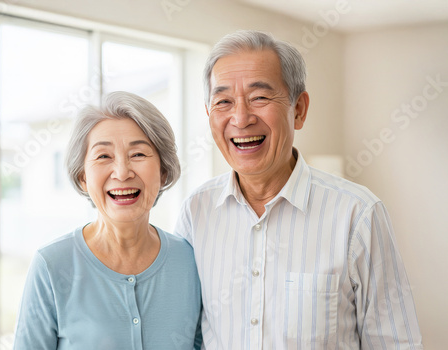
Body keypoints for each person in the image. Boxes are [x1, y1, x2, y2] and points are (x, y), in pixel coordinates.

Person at [175, 30, 423, 349]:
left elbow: (395, 343)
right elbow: (184, 334)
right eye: (223, 102)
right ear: (209, 114)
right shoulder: (196, 212)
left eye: (259, 98)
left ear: (299, 109)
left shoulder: (358, 214)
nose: (240, 118)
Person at [14, 91, 202, 349]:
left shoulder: (190, 261)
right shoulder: (52, 265)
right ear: (83, 176)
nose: (122, 172)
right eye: (104, 156)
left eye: (138, 154)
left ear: (163, 170)